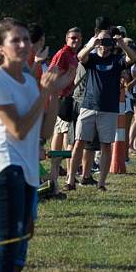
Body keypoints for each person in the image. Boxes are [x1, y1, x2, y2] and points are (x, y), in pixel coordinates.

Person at [0, 18, 69, 272]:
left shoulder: (30, 84)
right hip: (6, 170)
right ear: (2, 48)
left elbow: (43, 133)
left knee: (16, 247)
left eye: (25, 40)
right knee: (4, 250)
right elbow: (17, 130)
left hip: (28, 172)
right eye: (14, 41)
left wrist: (53, 96)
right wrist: (43, 93)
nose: (22, 45)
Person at [64, 28, 136, 192]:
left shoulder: (117, 59)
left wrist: (121, 44)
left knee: (105, 145)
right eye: (102, 41)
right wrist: (92, 44)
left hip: (109, 109)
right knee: (79, 142)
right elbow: (80, 57)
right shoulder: (93, 58)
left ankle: (101, 183)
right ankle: (70, 180)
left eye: (107, 41)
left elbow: (133, 58)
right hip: (88, 106)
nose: (104, 45)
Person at [48, 27, 82, 195]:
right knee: (63, 135)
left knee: (68, 136)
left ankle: (66, 173)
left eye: (78, 39)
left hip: (68, 98)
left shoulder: (74, 55)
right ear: (66, 38)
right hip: (60, 99)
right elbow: (52, 75)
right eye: (73, 38)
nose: (75, 41)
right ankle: (59, 170)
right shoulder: (63, 54)